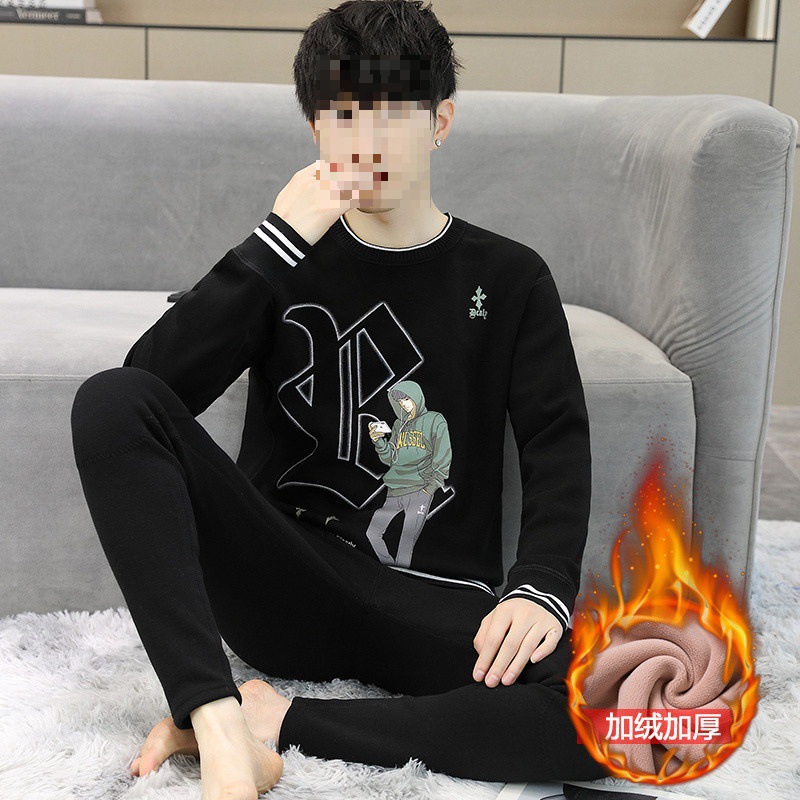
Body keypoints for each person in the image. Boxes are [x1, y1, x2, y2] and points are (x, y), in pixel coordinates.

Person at [69, 1, 612, 797]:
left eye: (393, 112)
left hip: (432, 602)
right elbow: (147, 395)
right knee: (107, 399)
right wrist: (273, 244)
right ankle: (214, 718)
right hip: (282, 582)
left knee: (610, 706)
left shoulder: (510, 278)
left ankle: (274, 723)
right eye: (346, 113)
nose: (368, 137)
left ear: (440, 123)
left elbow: (556, 443)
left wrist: (543, 586)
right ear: (316, 129)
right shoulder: (281, 260)